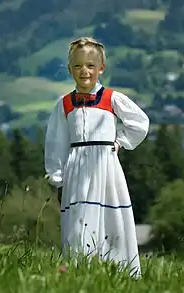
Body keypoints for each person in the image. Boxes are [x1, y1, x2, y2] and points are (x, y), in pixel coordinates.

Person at [44, 37, 150, 277]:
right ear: (70, 69)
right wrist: (58, 179)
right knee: (79, 220)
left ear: (101, 68)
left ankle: (120, 273)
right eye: (78, 65)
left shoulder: (112, 98)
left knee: (111, 218)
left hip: (106, 168)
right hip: (77, 171)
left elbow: (139, 123)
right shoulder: (64, 104)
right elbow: (56, 143)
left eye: (91, 65)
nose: (85, 71)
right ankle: (80, 273)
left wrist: (119, 141)